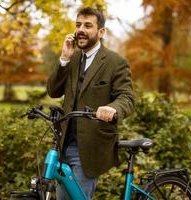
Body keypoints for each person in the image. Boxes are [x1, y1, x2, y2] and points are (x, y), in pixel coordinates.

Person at [47, 7, 134, 199]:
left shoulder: (115, 62)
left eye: (88, 25)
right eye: (78, 25)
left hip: (89, 146)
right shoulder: (73, 56)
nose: (81, 30)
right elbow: (53, 91)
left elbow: (127, 98)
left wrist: (112, 108)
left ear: (101, 32)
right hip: (63, 144)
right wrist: (63, 59)